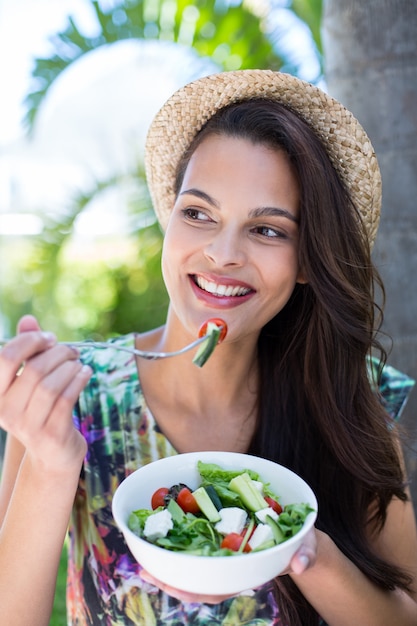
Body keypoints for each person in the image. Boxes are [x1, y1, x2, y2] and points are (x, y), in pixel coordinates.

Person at [0, 69, 416, 626]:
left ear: (308, 262)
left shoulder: (349, 392)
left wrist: (302, 553)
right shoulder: (75, 399)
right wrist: (52, 465)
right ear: (170, 220)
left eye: (267, 229)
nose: (222, 254)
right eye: (198, 213)